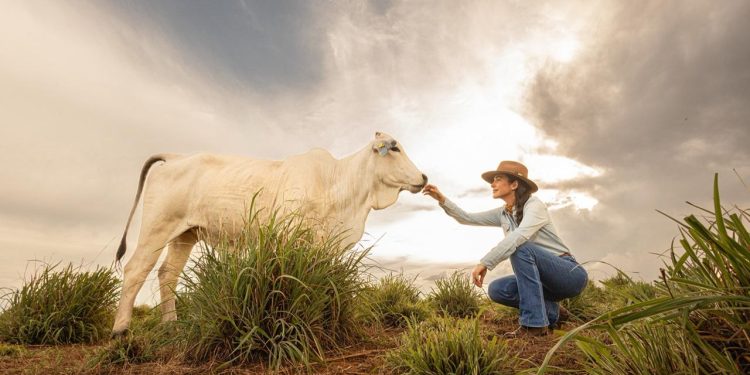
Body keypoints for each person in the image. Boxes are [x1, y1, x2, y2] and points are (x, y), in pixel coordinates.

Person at [422, 160, 588, 337]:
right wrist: (442, 199)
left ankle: (534, 326)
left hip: (568, 275)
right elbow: (467, 218)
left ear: (514, 184)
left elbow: (519, 236)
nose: (492, 184)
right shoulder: (503, 213)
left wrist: (485, 262)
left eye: (498, 179)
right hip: (543, 282)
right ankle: (553, 313)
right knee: (498, 289)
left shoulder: (534, 205)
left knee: (520, 247)